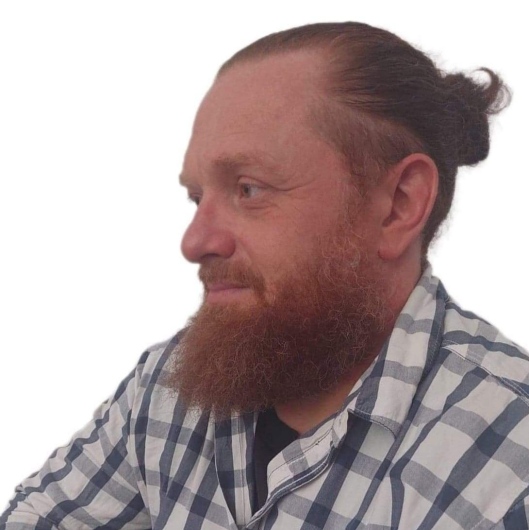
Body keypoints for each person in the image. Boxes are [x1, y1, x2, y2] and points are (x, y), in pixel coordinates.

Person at [1, 21, 527, 530]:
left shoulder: (510, 470)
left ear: (398, 205)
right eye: (197, 197)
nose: (194, 242)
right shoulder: (168, 384)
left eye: (248, 189)